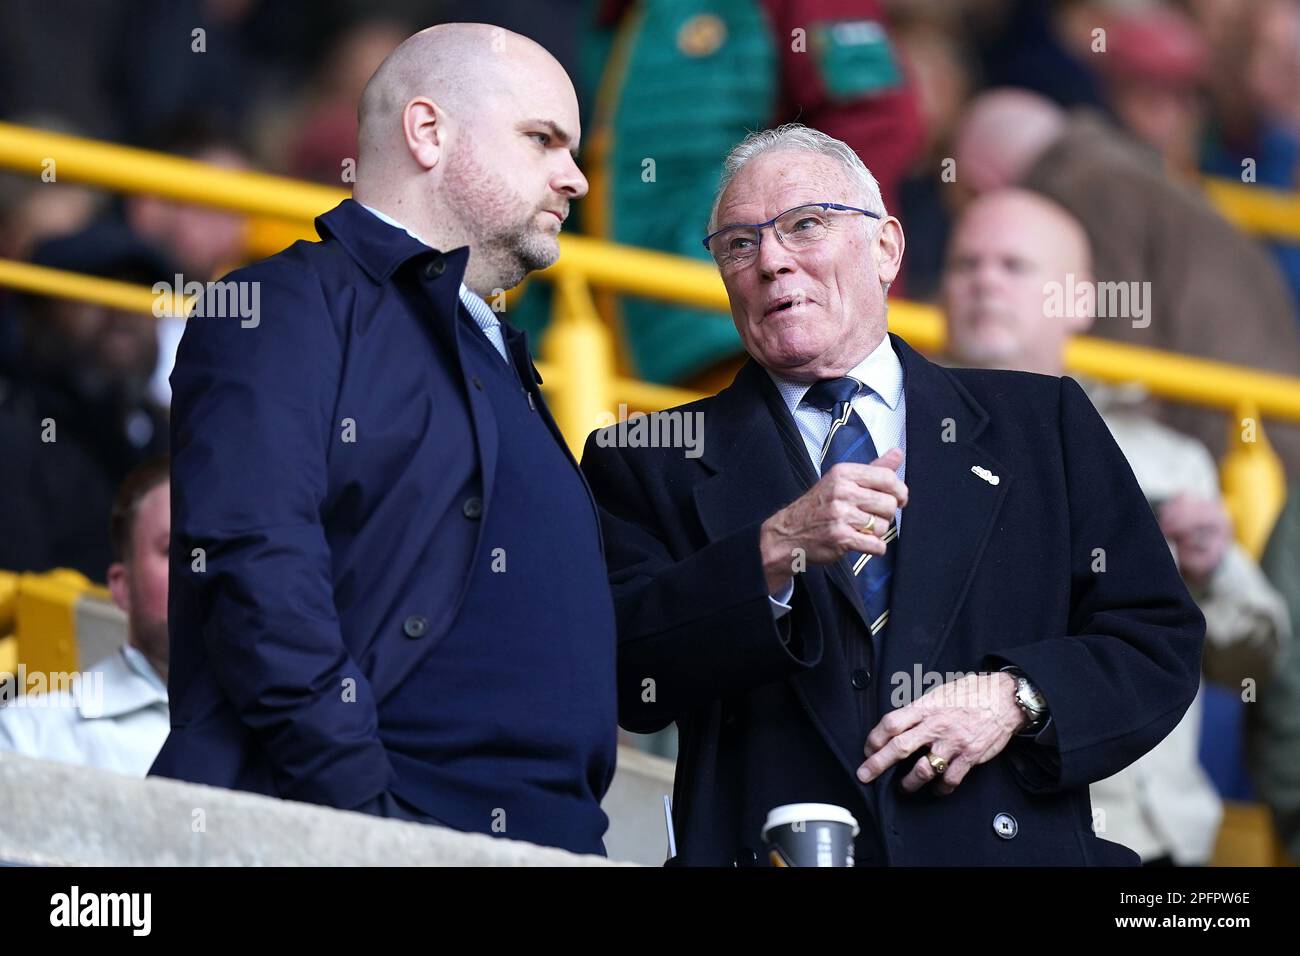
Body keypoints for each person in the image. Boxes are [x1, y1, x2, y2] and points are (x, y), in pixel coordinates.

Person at [581, 124, 1204, 866]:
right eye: (739, 245)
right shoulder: (646, 459)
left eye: (804, 225)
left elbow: (1154, 639)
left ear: (886, 249)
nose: (772, 262)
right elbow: (624, 674)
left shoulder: (1043, 424)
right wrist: (773, 552)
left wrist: (1017, 699)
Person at [150, 24, 618, 857]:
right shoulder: (280, 303)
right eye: (542, 139)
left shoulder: (498, 350)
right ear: (428, 132)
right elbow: (256, 563)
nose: (576, 177)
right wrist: (362, 812)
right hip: (363, 832)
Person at [942, 189, 1290, 865]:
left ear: (1079, 301)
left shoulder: (1165, 459)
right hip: (961, 828)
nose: (985, 280)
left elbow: (1255, 659)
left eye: (1014, 265)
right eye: (964, 263)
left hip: (1142, 839)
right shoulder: (889, 436)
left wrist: (1212, 574)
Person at [952, 88, 1300, 469]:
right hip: (1264, 423)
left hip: (1246, 446)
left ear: (980, 183)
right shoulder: (1114, 163)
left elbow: (1121, 337)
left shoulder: (1083, 185)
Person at [0, 457, 171, 775]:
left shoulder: (279, 730)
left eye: (213, 550)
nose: (200, 569)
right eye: (173, 550)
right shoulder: (29, 737)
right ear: (122, 586)